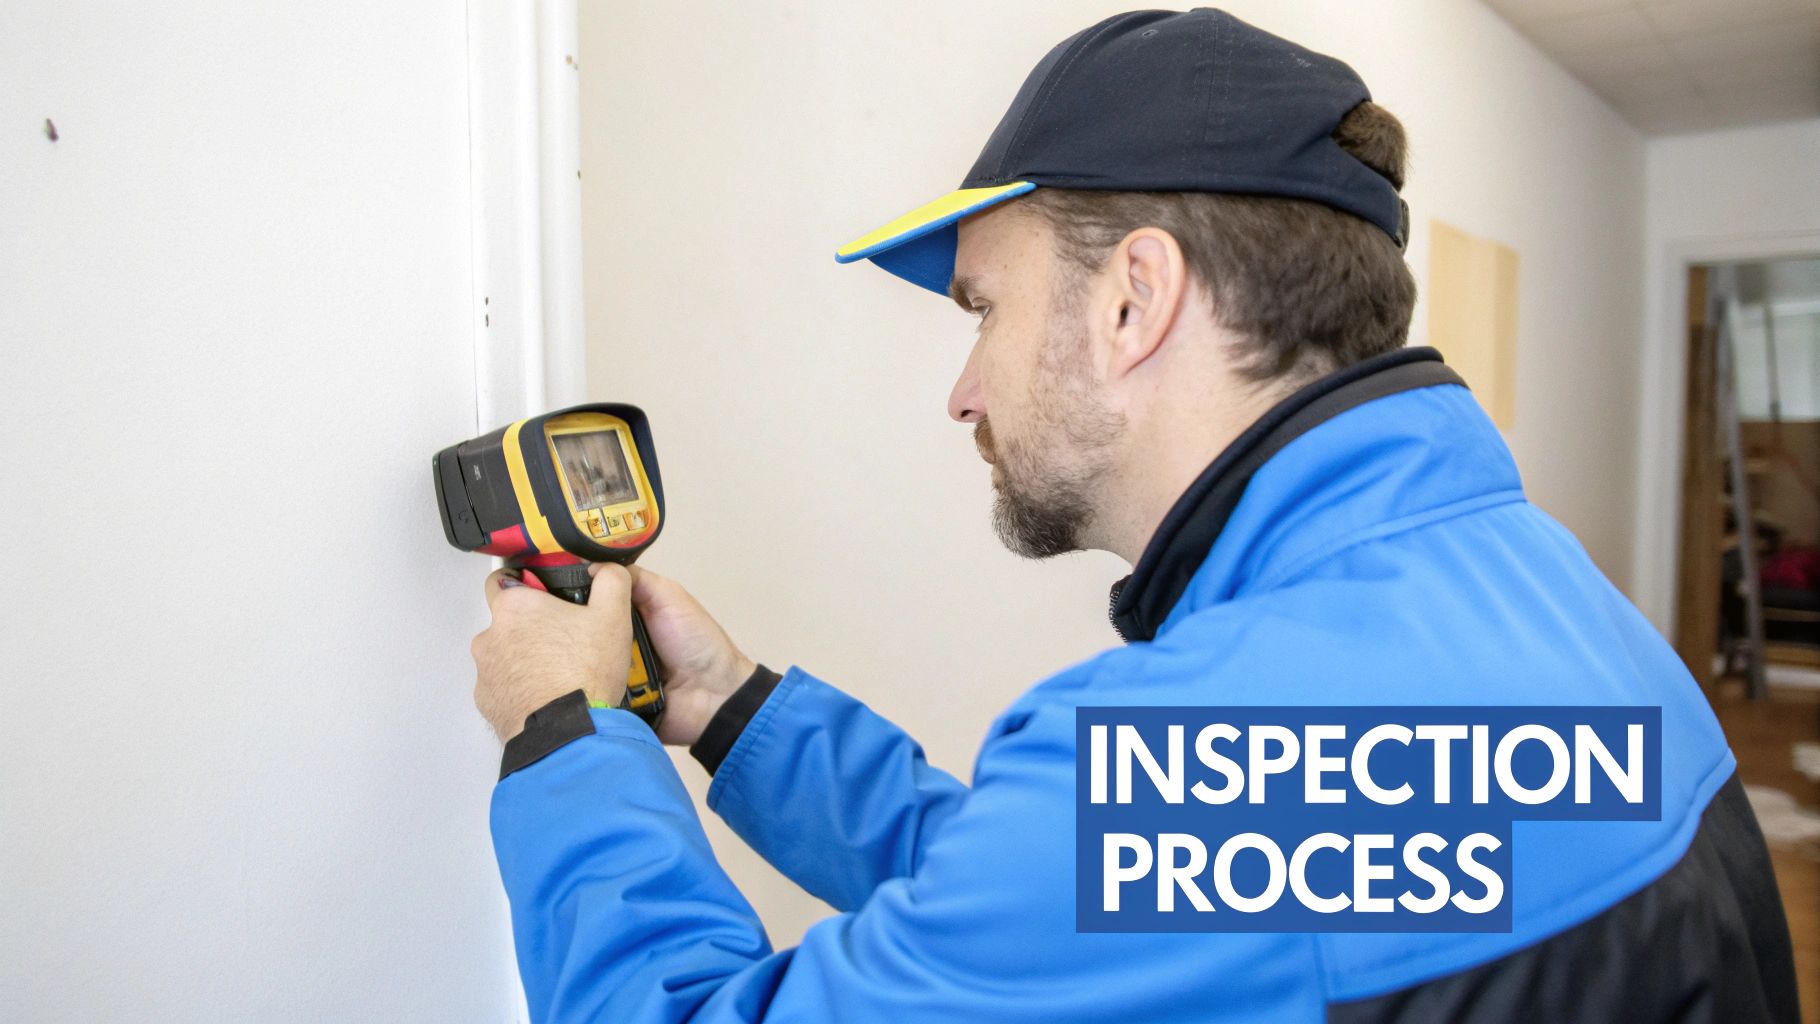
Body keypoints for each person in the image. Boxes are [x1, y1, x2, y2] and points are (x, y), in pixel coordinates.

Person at [468, 9, 1797, 1022]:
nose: (963, 390)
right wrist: (729, 706)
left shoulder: (1226, 748)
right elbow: (1087, 902)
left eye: (985, 308)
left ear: (1132, 300)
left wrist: (563, 737)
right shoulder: (1535, 593)